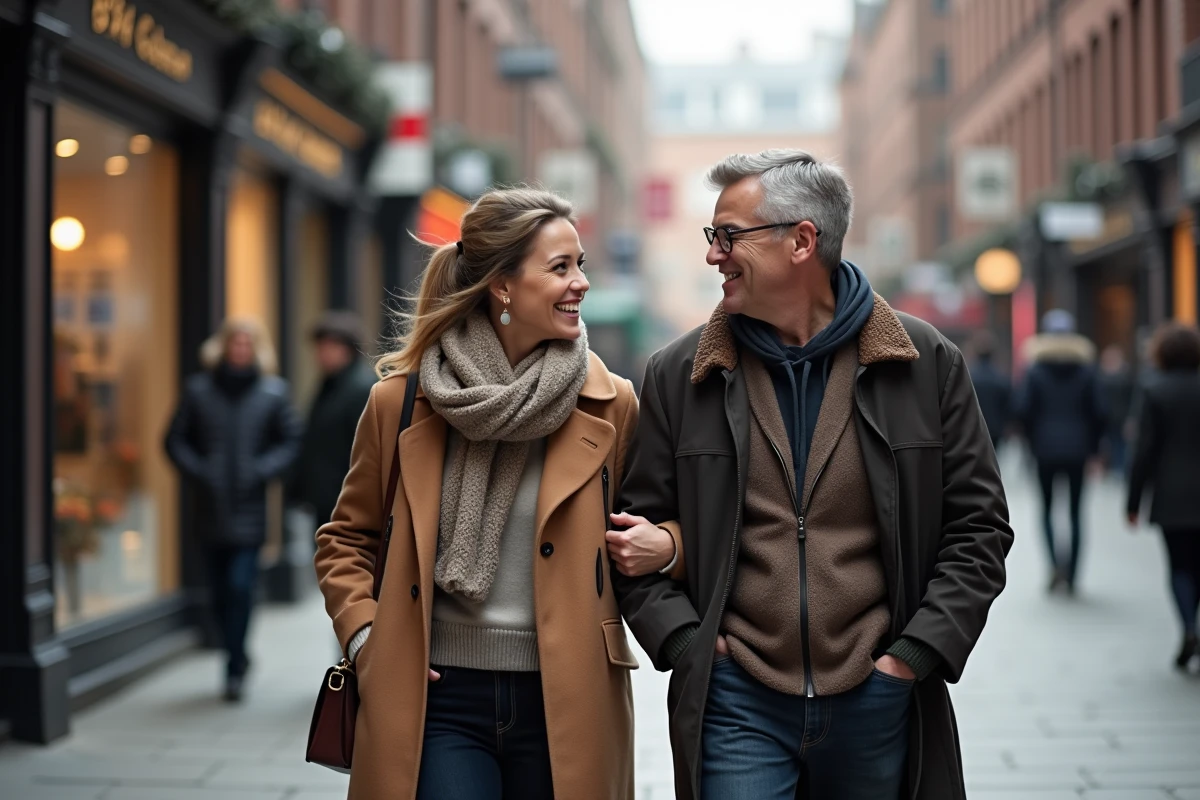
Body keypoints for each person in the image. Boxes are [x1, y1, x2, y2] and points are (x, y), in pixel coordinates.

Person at [610, 149, 1012, 800]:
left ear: (802, 241)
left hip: (878, 699)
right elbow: (631, 534)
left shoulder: (924, 361)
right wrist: (687, 642)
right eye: (713, 237)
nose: (714, 254)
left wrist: (910, 659)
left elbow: (980, 529)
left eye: (728, 236)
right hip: (736, 700)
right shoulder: (678, 374)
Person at [312, 188, 678, 799]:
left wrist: (665, 546)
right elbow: (345, 540)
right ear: (503, 286)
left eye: (581, 264)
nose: (580, 283)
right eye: (560, 267)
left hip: (569, 693)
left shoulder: (613, 404)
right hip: (436, 697)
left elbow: (662, 528)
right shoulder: (400, 402)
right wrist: (367, 638)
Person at [165, 317, 302, 701]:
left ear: (256, 349)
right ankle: (234, 651)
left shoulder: (273, 393)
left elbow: (291, 441)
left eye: (247, 343)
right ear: (223, 347)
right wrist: (200, 472)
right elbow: (174, 441)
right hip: (208, 509)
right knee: (217, 592)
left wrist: (262, 470)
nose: (240, 349)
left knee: (241, 586)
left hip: (250, 510)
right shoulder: (198, 391)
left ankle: (234, 664)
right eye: (234, 343)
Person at [1125, 322, 1200, 671]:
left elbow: (1144, 450)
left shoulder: (1154, 389)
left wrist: (1133, 501)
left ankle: (1187, 626)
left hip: (1171, 493)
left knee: (1180, 566)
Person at [1016, 309, 1106, 595]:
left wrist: (1030, 441)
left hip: (1044, 448)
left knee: (1046, 509)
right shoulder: (1087, 369)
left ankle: (1055, 566)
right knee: (1077, 512)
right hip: (1079, 449)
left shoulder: (1035, 369)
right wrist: (1094, 447)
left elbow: (1023, 410)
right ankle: (1074, 574)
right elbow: (1100, 412)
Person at [289, 311, 377, 531]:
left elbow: (366, 449)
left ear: (345, 349)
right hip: (327, 499)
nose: (320, 355)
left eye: (327, 347)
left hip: (347, 502)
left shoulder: (360, 388)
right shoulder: (329, 384)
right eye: (319, 348)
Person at [967, 331, 1012, 453]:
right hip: (995, 429)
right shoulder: (1001, 378)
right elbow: (1009, 405)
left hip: (973, 429)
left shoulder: (968, 378)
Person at [1098, 344, 1134, 476]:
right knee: (1105, 443)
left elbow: (1131, 397)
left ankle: (1119, 468)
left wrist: (1131, 418)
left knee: (1121, 444)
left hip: (1121, 416)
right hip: (1106, 415)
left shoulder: (1126, 376)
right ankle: (1106, 468)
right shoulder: (1100, 374)